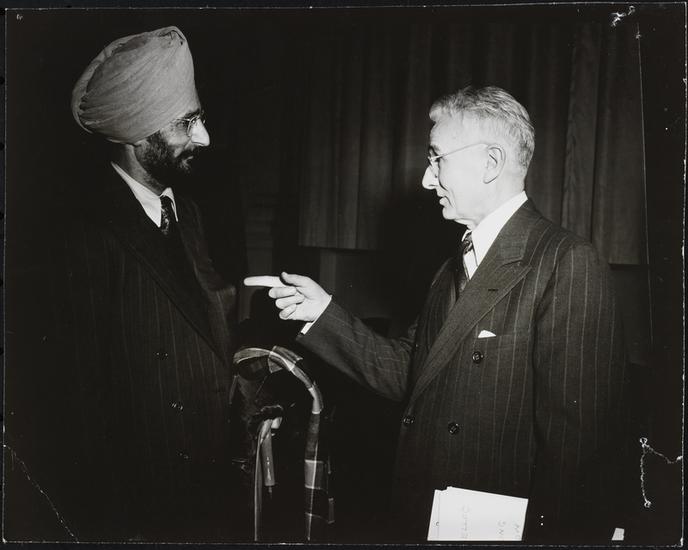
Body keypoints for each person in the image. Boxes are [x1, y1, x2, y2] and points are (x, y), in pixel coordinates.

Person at [246, 86, 629, 543]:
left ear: (490, 163)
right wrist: (321, 312)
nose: (428, 180)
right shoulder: (451, 266)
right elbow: (409, 372)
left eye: (437, 159)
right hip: (423, 514)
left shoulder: (566, 263)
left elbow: (577, 459)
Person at [23, 26, 246, 542]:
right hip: (142, 512)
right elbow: (78, 410)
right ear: (136, 134)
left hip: (206, 495)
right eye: (186, 123)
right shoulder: (81, 233)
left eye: (200, 118)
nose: (204, 138)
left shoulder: (189, 213)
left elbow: (201, 339)